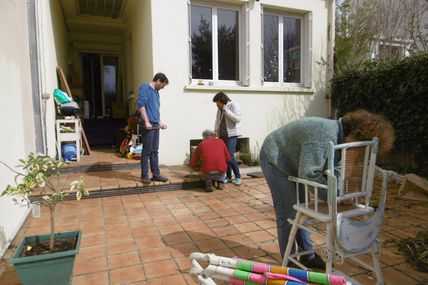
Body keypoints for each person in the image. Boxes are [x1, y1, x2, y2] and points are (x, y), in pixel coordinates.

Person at [259, 110, 395, 269]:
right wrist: (334, 196)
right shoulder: (324, 137)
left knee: (303, 211)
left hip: (297, 161)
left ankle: (307, 257)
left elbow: (335, 166)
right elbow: (309, 174)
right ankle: (288, 264)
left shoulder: (339, 137)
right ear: (354, 135)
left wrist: (340, 192)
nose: (358, 152)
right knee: (288, 213)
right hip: (275, 158)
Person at [137, 73, 169, 184]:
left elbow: (155, 110)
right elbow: (141, 105)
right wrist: (146, 121)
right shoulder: (145, 87)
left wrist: (160, 123)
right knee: (146, 151)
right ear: (158, 81)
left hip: (155, 125)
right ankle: (144, 175)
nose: (163, 87)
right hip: (148, 125)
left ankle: (156, 174)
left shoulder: (156, 92)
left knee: (155, 151)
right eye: (163, 85)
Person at [213, 92, 242, 186]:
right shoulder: (219, 109)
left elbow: (237, 119)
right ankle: (228, 177)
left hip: (232, 135)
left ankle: (238, 177)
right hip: (222, 135)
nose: (216, 105)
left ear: (222, 101)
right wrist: (215, 130)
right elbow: (217, 121)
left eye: (217, 102)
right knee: (225, 157)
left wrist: (226, 111)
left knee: (230, 156)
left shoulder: (233, 105)